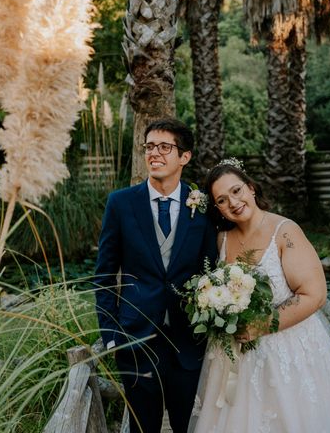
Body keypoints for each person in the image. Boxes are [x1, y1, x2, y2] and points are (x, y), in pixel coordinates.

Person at [189, 159, 330, 432]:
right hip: (234, 355)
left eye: (237, 191)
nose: (233, 202)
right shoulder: (221, 240)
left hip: (287, 350)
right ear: (218, 209)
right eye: (222, 200)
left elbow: (314, 294)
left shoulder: (285, 232)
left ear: (251, 188)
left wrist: (260, 325)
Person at [94, 118, 217, 433]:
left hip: (188, 341)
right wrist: (111, 335)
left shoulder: (203, 206)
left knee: (186, 426)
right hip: (136, 340)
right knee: (142, 428)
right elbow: (104, 275)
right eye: (150, 147)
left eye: (165, 147)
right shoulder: (120, 203)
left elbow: (212, 270)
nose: (155, 154)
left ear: (184, 157)